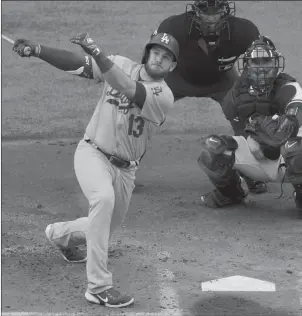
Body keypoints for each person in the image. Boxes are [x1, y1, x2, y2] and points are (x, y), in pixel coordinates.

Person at [12, 31, 179, 308]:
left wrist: (98, 53)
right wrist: (39, 49)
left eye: (166, 57)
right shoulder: (121, 63)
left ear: (172, 66)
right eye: (156, 53)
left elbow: (127, 87)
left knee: (102, 228)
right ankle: (99, 287)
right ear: (147, 53)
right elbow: (79, 65)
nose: (159, 59)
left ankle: (59, 235)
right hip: (93, 153)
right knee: (102, 200)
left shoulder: (164, 95)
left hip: (126, 172)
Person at [152, 0, 267, 193]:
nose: (211, 16)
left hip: (222, 81)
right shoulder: (173, 27)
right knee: (146, 108)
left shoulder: (244, 31)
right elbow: (152, 59)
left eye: (216, 10)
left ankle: (253, 173)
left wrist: (251, 92)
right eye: (206, 10)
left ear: (226, 10)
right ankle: (128, 164)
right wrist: (149, 89)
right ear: (195, 11)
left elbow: (261, 63)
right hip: (178, 78)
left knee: (247, 116)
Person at [197, 35, 302, 216]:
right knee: (212, 148)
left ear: (275, 63)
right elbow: (240, 132)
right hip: (259, 155)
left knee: (295, 147)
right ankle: (231, 194)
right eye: (255, 61)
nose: (261, 66)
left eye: (266, 60)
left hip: (286, 159)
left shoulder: (288, 86)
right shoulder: (235, 96)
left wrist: (282, 129)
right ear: (247, 65)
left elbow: (296, 113)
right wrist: (253, 140)